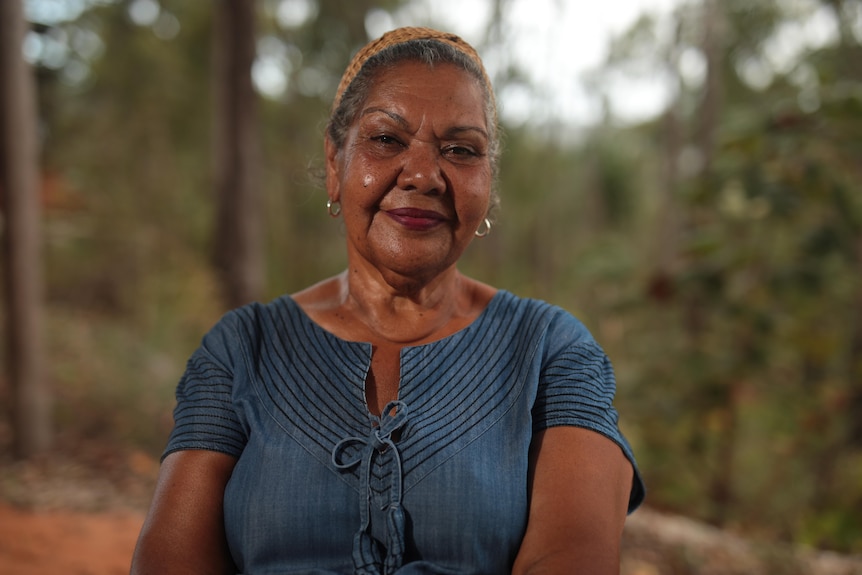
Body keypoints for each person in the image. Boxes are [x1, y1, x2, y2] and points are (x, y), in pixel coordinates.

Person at [130, 26, 645, 575]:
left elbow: (574, 557)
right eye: (386, 140)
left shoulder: (551, 350)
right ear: (335, 163)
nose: (423, 175)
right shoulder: (242, 350)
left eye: (460, 150)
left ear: (487, 184)